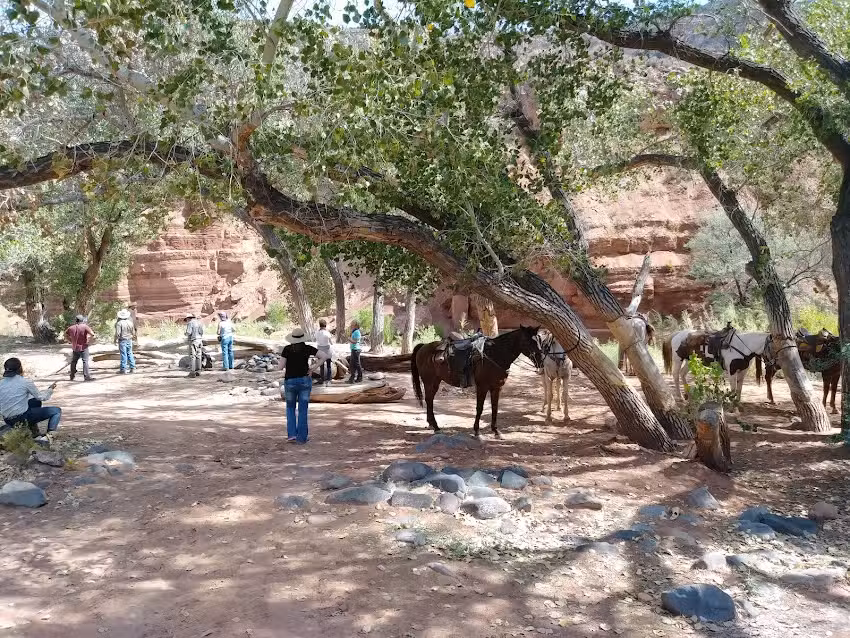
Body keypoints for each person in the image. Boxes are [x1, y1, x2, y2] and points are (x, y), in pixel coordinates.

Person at [0, 358, 60, 441]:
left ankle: (34, 433)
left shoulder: (1, 383)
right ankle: (49, 437)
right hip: (22, 418)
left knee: (35, 402)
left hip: (7, 420)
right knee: (56, 411)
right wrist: (50, 389)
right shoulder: (25, 382)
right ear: (20, 368)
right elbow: (42, 397)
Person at [279, 328, 317, 443]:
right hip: (305, 380)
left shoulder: (287, 349)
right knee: (302, 409)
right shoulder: (307, 348)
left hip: (290, 381)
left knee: (290, 408)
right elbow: (325, 355)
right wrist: (313, 368)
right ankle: (302, 438)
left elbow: (280, 367)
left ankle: (292, 435)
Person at [65, 315, 95, 381]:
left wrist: (70, 340)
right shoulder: (85, 327)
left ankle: (72, 375)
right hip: (84, 347)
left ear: (76, 320)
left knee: (74, 361)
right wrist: (89, 341)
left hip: (75, 347)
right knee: (85, 361)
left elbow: (65, 334)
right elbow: (92, 334)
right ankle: (86, 377)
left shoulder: (71, 328)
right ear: (82, 320)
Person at [114, 309, 137, 374]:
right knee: (130, 353)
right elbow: (133, 332)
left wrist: (115, 340)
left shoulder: (119, 323)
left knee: (123, 354)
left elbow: (118, 333)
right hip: (129, 339)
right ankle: (132, 368)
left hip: (122, 340)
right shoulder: (130, 323)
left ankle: (123, 369)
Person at [184, 313, 204, 378]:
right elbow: (201, 332)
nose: (186, 321)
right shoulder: (199, 322)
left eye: (186, 319)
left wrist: (185, 334)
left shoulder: (190, 323)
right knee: (199, 356)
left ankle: (192, 372)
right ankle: (198, 371)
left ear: (188, 318)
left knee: (192, 356)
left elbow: (188, 332)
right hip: (200, 341)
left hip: (193, 341)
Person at [315, 319, 334, 385]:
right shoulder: (327, 333)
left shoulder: (316, 332)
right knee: (328, 365)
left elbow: (316, 340)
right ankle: (329, 379)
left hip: (320, 350)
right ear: (325, 325)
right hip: (327, 350)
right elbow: (331, 342)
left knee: (321, 365)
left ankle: (322, 378)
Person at [348, 319, 363, 383]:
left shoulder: (357, 332)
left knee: (357, 364)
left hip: (356, 350)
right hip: (353, 349)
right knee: (352, 364)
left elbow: (356, 341)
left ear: (356, 325)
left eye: (352, 324)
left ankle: (359, 377)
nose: (351, 325)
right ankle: (352, 378)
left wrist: (350, 339)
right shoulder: (354, 331)